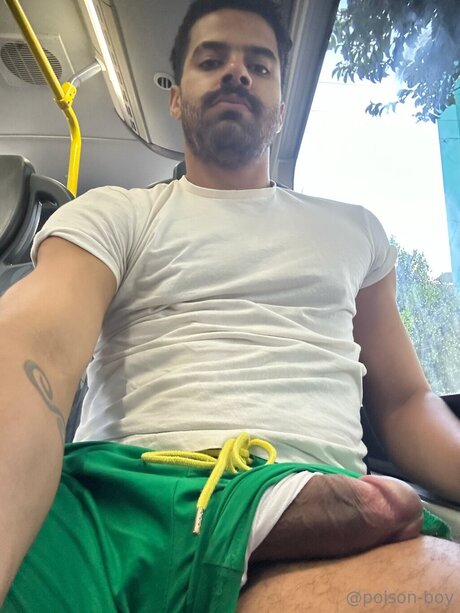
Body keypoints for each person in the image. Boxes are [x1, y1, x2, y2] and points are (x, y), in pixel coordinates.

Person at [1, 0, 459, 611]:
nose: (237, 73)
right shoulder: (114, 214)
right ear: (175, 97)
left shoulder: (356, 231)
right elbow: (34, 348)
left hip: (308, 514)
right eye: (211, 60)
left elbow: (404, 403)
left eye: (259, 66)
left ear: (280, 107)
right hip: (124, 500)